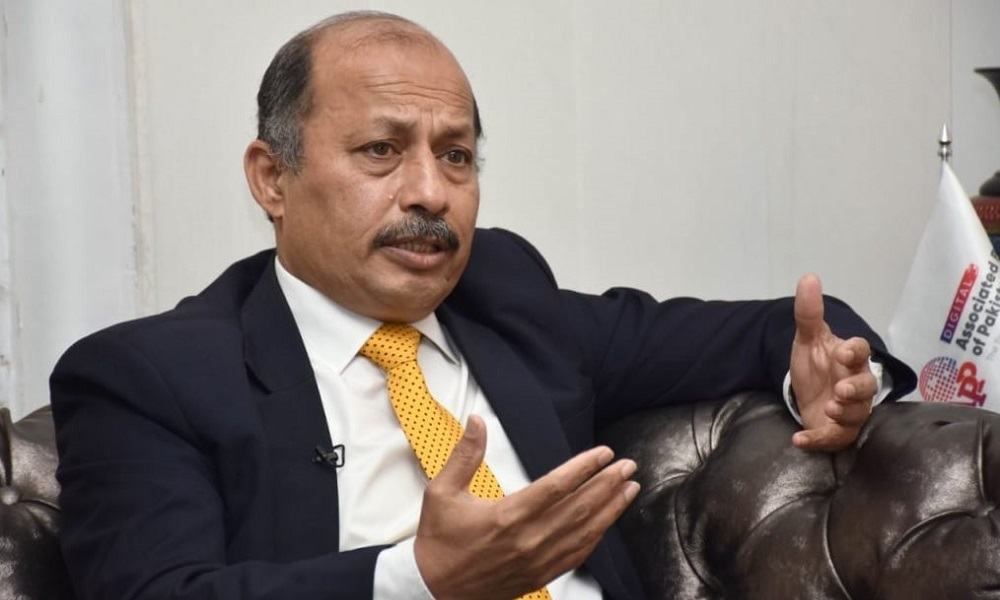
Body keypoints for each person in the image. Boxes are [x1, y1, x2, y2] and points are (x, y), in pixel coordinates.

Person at [49, 10, 916, 600]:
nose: (431, 192)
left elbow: (771, 329)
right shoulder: (150, 377)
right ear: (272, 179)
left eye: (457, 156)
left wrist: (835, 376)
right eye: (381, 150)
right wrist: (421, 579)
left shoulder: (506, 298)